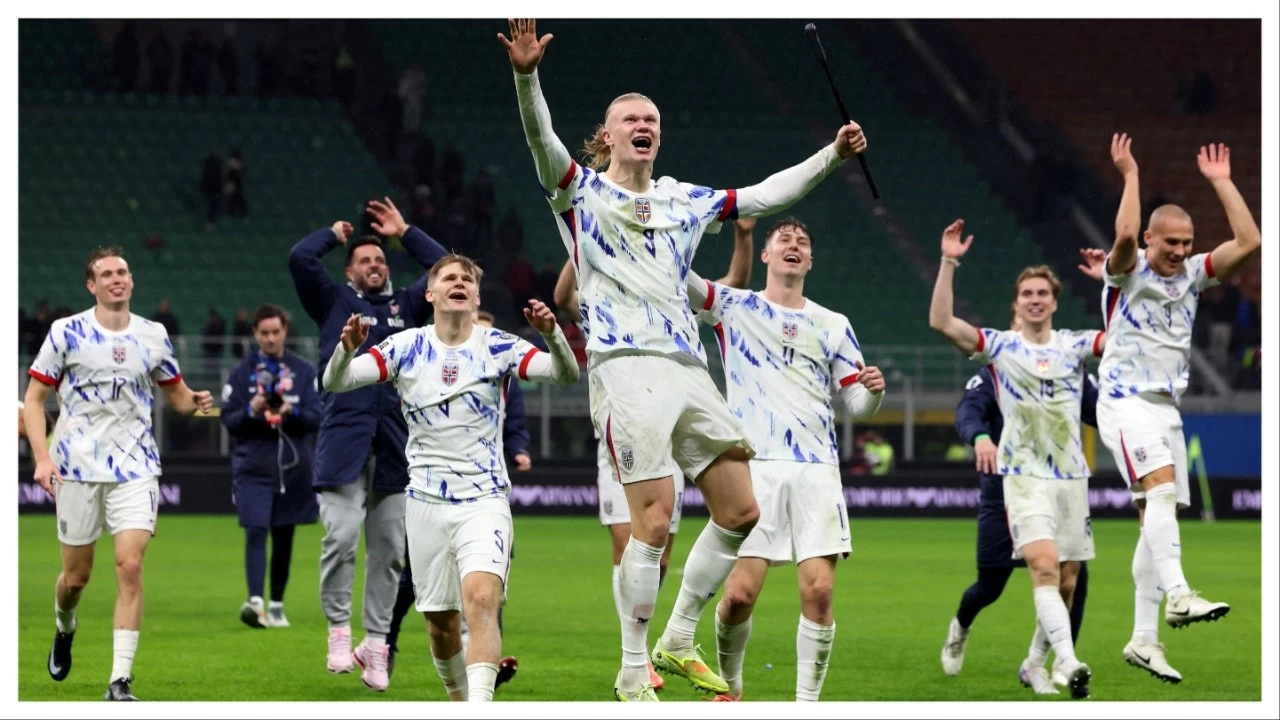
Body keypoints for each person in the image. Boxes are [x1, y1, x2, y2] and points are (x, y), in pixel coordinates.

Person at [500, 18, 867, 701]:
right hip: (625, 366)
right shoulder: (578, 192)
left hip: (689, 368)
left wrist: (832, 156)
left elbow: (763, 195)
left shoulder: (682, 199)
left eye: (653, 119)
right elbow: (538, 138)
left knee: (740, 510)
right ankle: (633, 668)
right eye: (630, 118)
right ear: (608, 136)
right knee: (658, 521)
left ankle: (677, 636)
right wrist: (527, 77)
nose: (644, 125)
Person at [323, 254, 580, 702]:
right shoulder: (405, 347)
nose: (459, 282)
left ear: (476, 296)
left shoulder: (498, 345)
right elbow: (336, 383)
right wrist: (347, 349)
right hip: (424, 503)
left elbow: (566, 373)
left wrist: (552, 335)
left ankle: (478, 707)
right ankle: (460, 701)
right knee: (440, 625)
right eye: (449, 277)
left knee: (481, 600)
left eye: (467, 279)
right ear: (431, 293)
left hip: (484, 500)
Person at [681, 217, 886, 702]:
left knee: (818, 593)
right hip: (755, 468)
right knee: (736, 598)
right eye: (785, 241)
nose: (794, 245)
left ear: (810, 261)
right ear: (768, 256)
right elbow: (679, 282)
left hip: (816, 469)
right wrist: (723, 235)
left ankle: (805, 706)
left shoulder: (834, 324)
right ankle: (731, 691)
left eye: (803, 242)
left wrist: (873, 395)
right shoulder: (734, 306)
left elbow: (855, 403)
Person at [553, 215, 757, 692]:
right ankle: (635, 661)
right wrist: (587, 238)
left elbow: (729, 289)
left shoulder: (666, 284)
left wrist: (744, 235)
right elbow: (565, 298)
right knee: (634, 540)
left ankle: (667, 641)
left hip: (672, 417)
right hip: (624, 414)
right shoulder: (601, 284)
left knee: (662, 550)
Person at [1096, 135, 1259, 682]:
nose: (1181, 252)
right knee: (1161, 491)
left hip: (1166, 408)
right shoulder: (1126, 272)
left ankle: (1145, 640)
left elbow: (1250, 240)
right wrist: (1131, 173)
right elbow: (1122, 235)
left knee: (1155, 517)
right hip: (1124, 401)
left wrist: (1220, 182)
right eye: (1171, 242)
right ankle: (1180, 594)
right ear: (1151, 239)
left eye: (1187, 243)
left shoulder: (1193, 275)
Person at [23, 246, 214, 701]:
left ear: (131, 280)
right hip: (75, 468)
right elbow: (34, 400)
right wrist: (42, 459)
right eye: (106, 273)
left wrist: (195, 402)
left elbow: (177, 395)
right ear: (92, 285)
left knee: (130, 566)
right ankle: (64, 626)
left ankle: (119, 681)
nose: (116, 279)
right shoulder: (65, 332)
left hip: (136, 467)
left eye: (122, 272)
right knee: (76, 579)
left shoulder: (152, 335)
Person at [929, 219, 1104, 699]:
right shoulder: (1000, 350)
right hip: (1017, 479)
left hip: (1070, 477)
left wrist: (1114, 283)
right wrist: (948, 261)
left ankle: (1035, 663)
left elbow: (1121, 342)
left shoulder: (1072, 347)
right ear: (1016, 303)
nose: (1035, 299)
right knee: (1005, 580)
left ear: (1053, 300)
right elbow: (942, 324)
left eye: (1043, 293)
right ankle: (1064, 659)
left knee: (1068, 581)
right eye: (1027, 292)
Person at [288, 197, 448, 691]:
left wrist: (405, 232)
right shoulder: (333, 301)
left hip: (398, 447)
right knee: (338, 539)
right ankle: (339, 631)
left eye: (380, 260)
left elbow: (447, 269)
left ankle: (376, 644)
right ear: (350, 271)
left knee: (390, 554)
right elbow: (299, 259)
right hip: (343, 444)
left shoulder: (410, 307)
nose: (375, 266)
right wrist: (334, 236)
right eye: (364, 261)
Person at [384, 307, 526, 688]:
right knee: (424, 598)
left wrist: (519, 447)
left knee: (484, 592)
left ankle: (481, 663)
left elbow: (514, 421)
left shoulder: (501, 367)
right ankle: (388, 639)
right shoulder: (428, 363)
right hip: (431, 497)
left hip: (483, 495)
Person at [220, 304, 321, 630]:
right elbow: (229, 420)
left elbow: (317, 417)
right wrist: (252, 408)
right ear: (255, 334)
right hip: (253, 465)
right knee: (255, 528)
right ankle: (255, 602)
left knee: (284, 534)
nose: (270, 338)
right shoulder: (240, 372)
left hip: (294, 467)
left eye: (275, 332)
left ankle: (276, 604)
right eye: (264, 332)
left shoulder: (304, 372)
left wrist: (290, 410)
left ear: (285, 331)